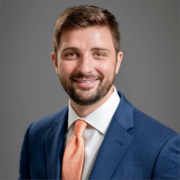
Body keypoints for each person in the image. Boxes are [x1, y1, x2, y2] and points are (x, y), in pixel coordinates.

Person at [18, 5, 180, 180]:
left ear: (117, 62)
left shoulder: (161, 146)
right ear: (55, 63)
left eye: (99, 54)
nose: (85, 68)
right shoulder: (35, 136)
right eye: (72, 54)